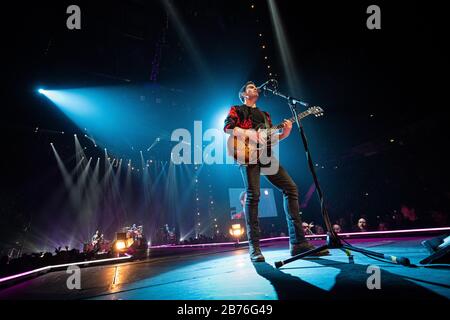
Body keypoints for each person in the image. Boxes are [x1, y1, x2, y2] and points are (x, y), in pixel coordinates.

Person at [223, 80, 329, 262]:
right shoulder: (237, 109)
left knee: (291, 188)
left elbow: (268, 140)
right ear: (243, 95)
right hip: (246, 154)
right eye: (250, 87)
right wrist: (249, 134)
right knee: (253, 194)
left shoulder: (265, 115)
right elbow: (227, 127)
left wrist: (285, 133)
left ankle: (298, 244)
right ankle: (254, 247)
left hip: (266, 156)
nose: (254, 88)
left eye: (255, 86)